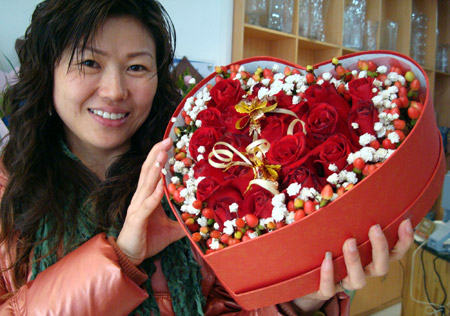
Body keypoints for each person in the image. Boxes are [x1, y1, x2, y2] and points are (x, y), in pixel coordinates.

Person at [0, 0, 414, 315]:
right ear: (46, 71)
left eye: (137, 67)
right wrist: (122, 257)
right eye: (90, 62)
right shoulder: (7, 191)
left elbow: (230, 304)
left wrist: (302, 300)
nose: (114, 90)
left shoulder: (196, 182)